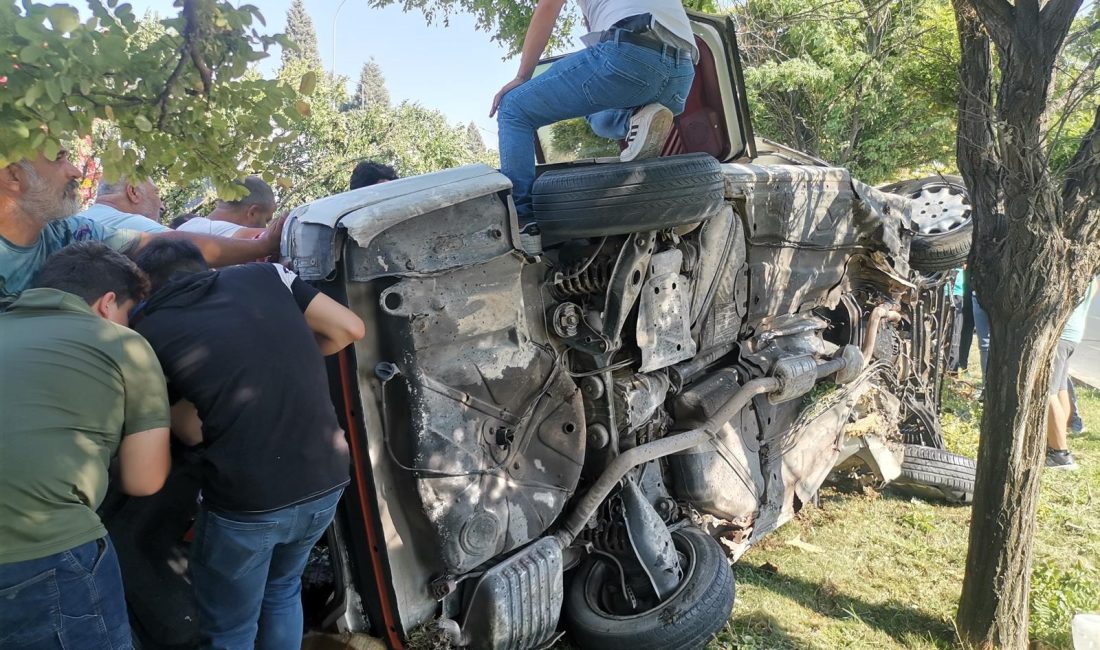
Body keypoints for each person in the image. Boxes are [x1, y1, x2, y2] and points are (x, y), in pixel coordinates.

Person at [132, 240, 365, 649]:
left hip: (250, 501)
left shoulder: (148, 331)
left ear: (145, 287)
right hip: (327, 477)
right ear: (202, 266)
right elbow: (350, 328)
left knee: (229, 629)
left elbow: (191, 433)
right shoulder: (266, 276)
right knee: (282, 590)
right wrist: (279, 370)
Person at [0, 242, 171, 648]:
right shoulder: (122, 343)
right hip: (43, 554)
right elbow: (144, 480)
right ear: (108, 303)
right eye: (129, 313)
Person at [490, 0, 698, 217]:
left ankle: (522, 222)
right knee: (598, 115)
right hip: (682, 74)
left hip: (630, 51)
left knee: (513, 106)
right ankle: (634, 119)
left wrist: (522, 76)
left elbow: (548, 5)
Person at [0, 151, 284, 306]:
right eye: (59, 159)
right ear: (14, 175)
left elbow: (163, 244)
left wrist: (260, 246)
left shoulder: (69, 232)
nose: (76, 171)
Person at [1046, 279, 1097, 470]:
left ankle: (1060, 453)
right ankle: (1055, 442)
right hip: (1073, 334)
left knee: (1047, 393)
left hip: (1061, 333)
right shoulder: (1090, 273)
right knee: (1060, 390)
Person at [176, 175, 274, 238]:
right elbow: (272, 236)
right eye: (266, 220)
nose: (265, 226)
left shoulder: (194, 227)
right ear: (253, 213)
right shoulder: (206, 230)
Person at [82, 176, 169, 233]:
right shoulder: (142, 229)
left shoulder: (73, 223)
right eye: (156, 193)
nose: (162, 207)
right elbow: (180, 244)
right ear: (133, 192)